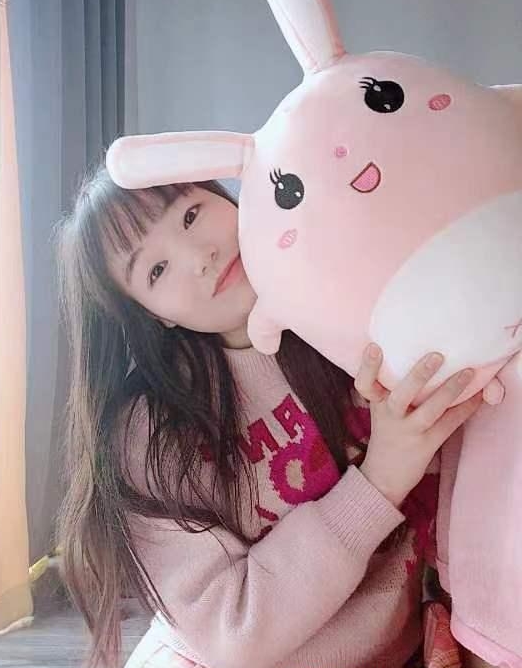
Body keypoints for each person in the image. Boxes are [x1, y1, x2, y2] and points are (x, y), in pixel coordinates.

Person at [55, 164, 484, 668]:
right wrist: (380, 482)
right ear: (154, 314)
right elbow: (232, 632)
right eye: (156, 270)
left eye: (191, 215)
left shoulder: (359, 310)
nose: (199, 256)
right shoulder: (150, 435)